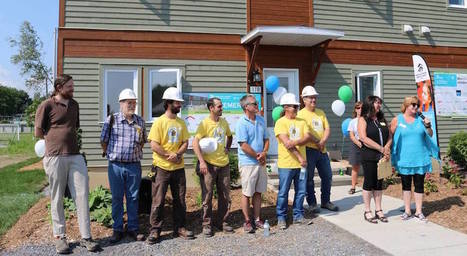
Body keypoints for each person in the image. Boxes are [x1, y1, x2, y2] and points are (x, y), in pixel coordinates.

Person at [34, 74, 99, 254]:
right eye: (69, 86)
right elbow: (38, 132)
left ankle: (86, 237)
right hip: (54, 156)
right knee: (57, 198)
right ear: (59, 87)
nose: (73, 89)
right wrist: (54, 141)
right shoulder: (47, 105)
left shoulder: (75, 105)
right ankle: (60, 238)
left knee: (82, 194)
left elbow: (74, 128)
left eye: (73, 86)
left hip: (75, 156)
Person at [146, 87, 194, 244]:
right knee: (158, 201)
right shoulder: (159, 122)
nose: (180, 105)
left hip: (178, 168)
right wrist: (169, 155)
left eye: (180, 103)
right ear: (168, 103)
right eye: (177, 102)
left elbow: (186, 142)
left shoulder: (181, 123)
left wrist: (178, 154)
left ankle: (179, 227)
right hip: (161, 168)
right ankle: (155, 230)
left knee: (180, 200)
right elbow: (154, 144)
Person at [100, 88, 147, 243]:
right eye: (129, 102)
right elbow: (103, 140)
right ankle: (117, 229)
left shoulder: (140, 121)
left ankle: (133, 228)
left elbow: (143, 141)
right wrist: (110, 155)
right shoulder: (111, 120)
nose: (132, 105)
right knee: (117, 198)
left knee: (133, 198)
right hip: (116, 166)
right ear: (121, 103)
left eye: (134, 103)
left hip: (134, 165)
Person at [390, 96, 439, 222]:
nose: (416, 107)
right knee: (406, 186)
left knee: (419, 185)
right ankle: (407, 210)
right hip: (403, 159)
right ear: (406, 105)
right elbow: (390, 136)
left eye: (417, 105)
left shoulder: (421, 120)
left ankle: (418, 211)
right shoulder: (397, 119)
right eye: (413, 104)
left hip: (420, 159)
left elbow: (430, 134)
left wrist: (428, 126)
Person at [193, 97, 233, 237]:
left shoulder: (223, 122)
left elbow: (230, 136)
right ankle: (207, 224)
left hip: (224, 164)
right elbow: (195, 143)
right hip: (209, 165)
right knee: (207, 195)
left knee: (225, 195)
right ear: (211, 108)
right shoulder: (204, 124)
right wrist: (202, 162)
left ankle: (223, 222)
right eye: (219, 106)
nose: (221, 108)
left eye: (221, 106)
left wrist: (227, 147)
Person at [297, 85, 339, 212]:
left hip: (322, 150)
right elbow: (306, 133)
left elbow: (327, 128)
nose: (313, 100)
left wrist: (323, 142)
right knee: (309, 179)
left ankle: (326, 201)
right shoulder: (300, 115)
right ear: (304, 99)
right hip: (309, 150)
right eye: (310, 98)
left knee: (327, 176)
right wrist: (317, 142)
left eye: (315, 98)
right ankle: (312, 203)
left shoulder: (320, 113)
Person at [274, 93, 311, 230]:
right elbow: (286, 144)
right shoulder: (280, 122)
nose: (296, 108)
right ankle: (281, 218)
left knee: (301, 191)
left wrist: (294, 141)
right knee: (283, 192)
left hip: (301, 165)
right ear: (286, 107)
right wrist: (300, 157)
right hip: (287, 164)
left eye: (297, 106)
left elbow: (307, 137)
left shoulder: (301, 121)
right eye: (294, 106)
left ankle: (298, 216)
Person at [235, 94, 269, 233]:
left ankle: (257, 219)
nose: (257, 106)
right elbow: (243, 145)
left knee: (258, 192)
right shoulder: (241, 123)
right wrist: (257, 155)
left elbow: (266, 139)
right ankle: (247, 221)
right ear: (246, 107)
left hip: (260, 162)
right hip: (248, 162)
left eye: (256, 104)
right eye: (254, 104)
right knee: (247, 193)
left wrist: (264, 153)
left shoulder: (261, 120)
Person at [357, 95, 392, 224]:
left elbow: (389, 135)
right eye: (376, 103)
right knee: (369, 182)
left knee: (379, 183)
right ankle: (367, 211)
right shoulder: (363, 119)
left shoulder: (381, 119)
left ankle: (378, 210)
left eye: (380, 103)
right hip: (369, 155)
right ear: (370, 104)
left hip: (382, 156)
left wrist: (387, 148)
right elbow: (363, 138)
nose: (379, 105)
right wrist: (381, 149)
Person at [347, 101, 363, 194]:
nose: (360, 109)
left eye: (361, 108)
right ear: (355, 110)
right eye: (358, 108)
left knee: (368, 166)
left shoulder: (367, 120)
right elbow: (351, 135)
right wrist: (358, 143)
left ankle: (370, 185)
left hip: (366, 144)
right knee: (355, 167)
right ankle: (353, 187)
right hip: (356, 144)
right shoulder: (352, 122)